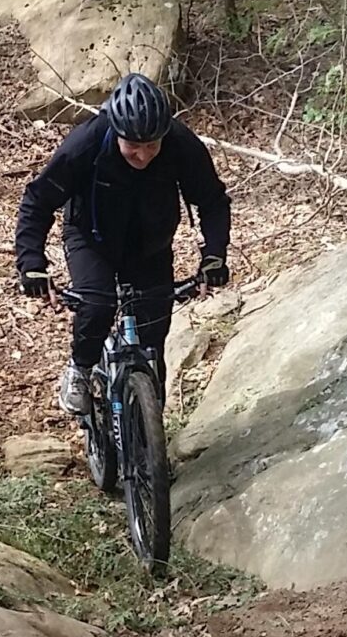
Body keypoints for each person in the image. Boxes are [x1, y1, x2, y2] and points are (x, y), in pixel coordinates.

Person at [13, 73, 231, 415]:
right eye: (133, 146)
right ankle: (80, 370)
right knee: (98, 305)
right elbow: (37, 202)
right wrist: (32, 265)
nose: (143, 155)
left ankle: (150, 434)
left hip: (151, 245)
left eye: (151, 146)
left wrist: (214, 256)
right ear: (117, 131)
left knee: (152, 339)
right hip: (91, 238)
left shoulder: (179, 143)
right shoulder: (87, 142)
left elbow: (213, 201)